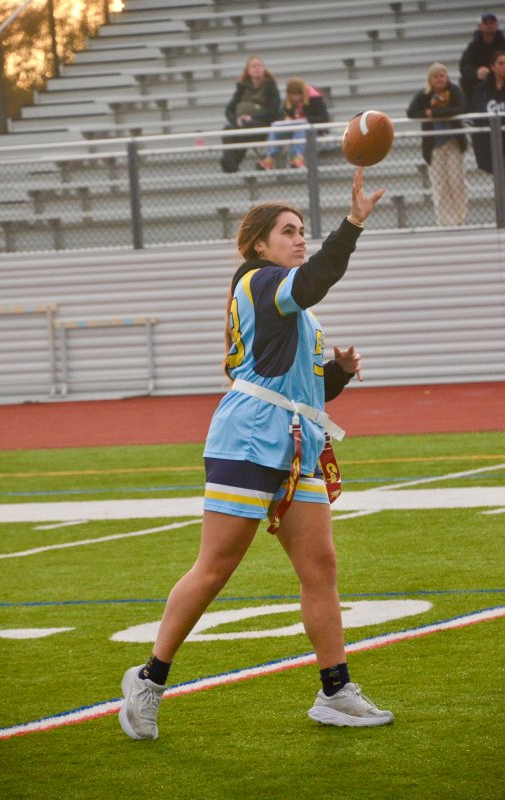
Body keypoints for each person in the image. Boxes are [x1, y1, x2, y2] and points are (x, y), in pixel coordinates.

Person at [118, 167, 395, 741]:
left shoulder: (296, 306)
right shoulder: (261, 282)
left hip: (294, 441)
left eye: (301, 230)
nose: (299, 238)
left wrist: (336, 373)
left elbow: (304, 389)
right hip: (246, 436)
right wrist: (353, 225)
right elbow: (317, 278)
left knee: (320, 569)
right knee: (216, 568)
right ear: (260, 245)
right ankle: (147, 679)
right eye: (288, 231)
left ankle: (335, 690)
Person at [406, 63, 469, 226]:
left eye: (442, 75)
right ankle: (445, 221)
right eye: (435, 76)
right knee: (440, 186)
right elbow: (411, 113)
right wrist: (428, 113)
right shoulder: (424, 95)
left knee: (457, 182)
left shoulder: (454, 91)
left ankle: (460, 219)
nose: (439, 79)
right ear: (430, 79)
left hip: (453, 143)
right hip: (434, 146)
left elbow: (461, 108)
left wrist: (433, 113)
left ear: (446, 77)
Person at [220, 54, 281, 173]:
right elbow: (228, 110)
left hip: (262, 124)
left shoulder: (270, 86)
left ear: (264, 69)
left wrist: (252, 117)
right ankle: (229, 162)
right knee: (228, 129)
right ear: (248, 71)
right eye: (253, 66)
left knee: (248, 127)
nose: (257, 68)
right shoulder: (242, 88)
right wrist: (236, 119)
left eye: (259, 65)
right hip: (242, 123)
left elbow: (273, 110)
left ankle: (232, 162)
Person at [256, 77, 329, 170]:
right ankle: (269, 158)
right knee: (275, 126)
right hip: (293, 128)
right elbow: (283, 114)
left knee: (302, 126)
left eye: (297, 96)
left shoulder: (315, 98)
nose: (295, 100)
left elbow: (323, 118)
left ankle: (298, 157)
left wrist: (305, 119)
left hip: (312, 130)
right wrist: (286, 119)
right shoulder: (288, 101)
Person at [471, 49, 505, 174]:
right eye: (500, 64)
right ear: (492, 66)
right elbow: (478, 112)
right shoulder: (482, 89)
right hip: (490, 140)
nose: (504, 67)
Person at [459, 12, 505, 104]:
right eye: (486, 23)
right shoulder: (473, 46)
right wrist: (476, 72)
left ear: (497, 25)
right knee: (464, 81)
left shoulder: (503, 43)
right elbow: (464, 67)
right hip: (481, 81)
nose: (489, 26)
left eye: (492, 23)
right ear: (480, 26)